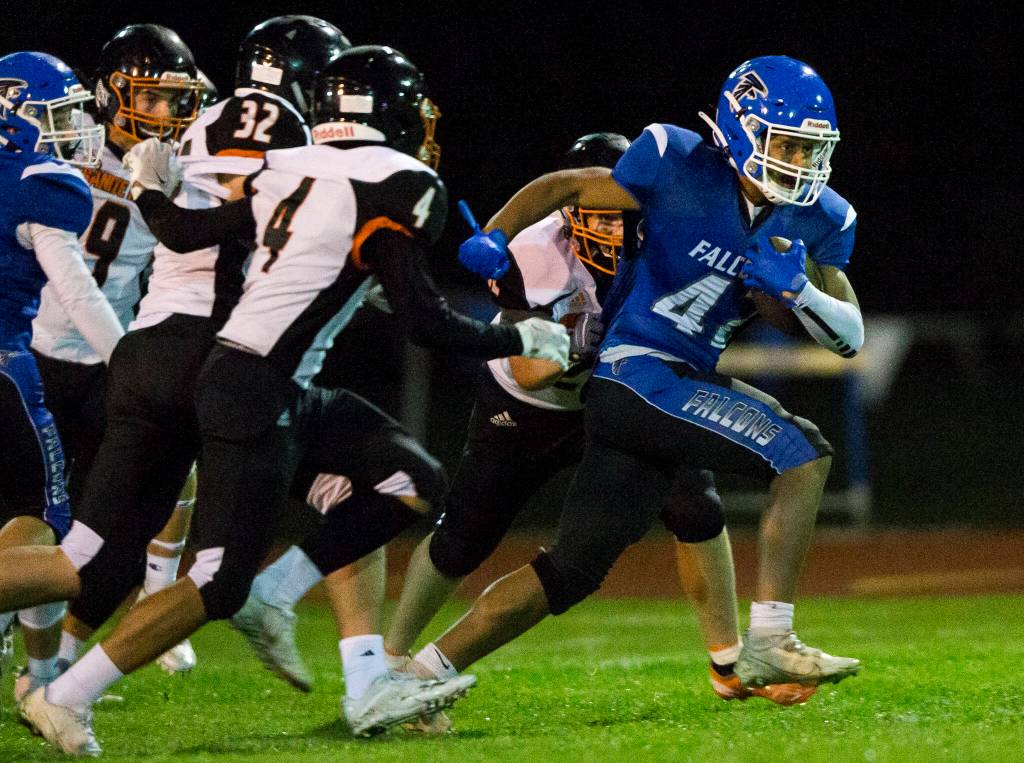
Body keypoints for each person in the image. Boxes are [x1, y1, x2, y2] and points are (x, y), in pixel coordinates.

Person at [9, 44, 567, 754]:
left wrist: (149, 188)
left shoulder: (289, 166)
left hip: (242, 374)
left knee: (412, 476)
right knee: (213, 582)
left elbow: (188, 231)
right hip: (253, 384)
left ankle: (278, 598)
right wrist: (521, 341)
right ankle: (67, 692)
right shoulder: (403, 181)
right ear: (391, 112)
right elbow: (423, 320)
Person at [401, 55, 863, 715]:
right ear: (740, 129)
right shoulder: (675, 161)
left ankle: (415, 677)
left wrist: (800, 294)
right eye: (786, 141)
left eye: (811, 147)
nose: (800, 160)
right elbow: (567, 185)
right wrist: (497, 234)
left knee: (570, 569)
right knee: (803, 451)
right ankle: (768, 638)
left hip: (668, 385)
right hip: (638, 370)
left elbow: (848, 333)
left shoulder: (822, 217)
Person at [24, 24, 207, 686]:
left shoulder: (175, 164)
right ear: (109, 93)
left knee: (169, 464)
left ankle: (155, 591)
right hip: (37, 352)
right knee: (35, 519)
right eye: (150, 97)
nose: (164, 113)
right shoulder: (62, 140)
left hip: (108, 360)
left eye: (172, 98)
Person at [0, 50, 120, 700]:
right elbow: (78, 293)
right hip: (8, 365)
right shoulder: (43, 182)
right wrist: (128, 361)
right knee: (49, 522)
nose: (73, 126)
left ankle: (36, 674)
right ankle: (41, 678)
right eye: (58, 113)